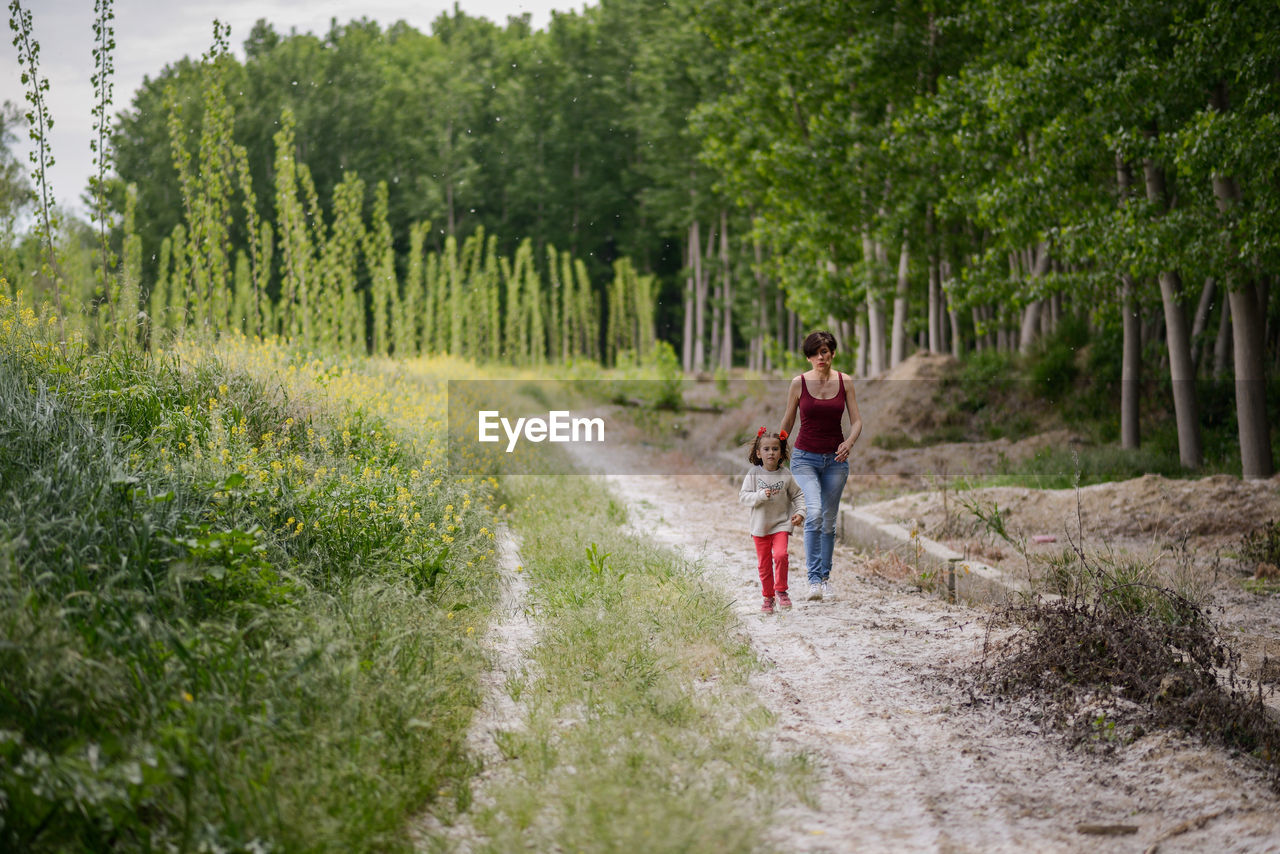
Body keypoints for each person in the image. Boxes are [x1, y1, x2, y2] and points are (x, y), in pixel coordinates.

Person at [779, 331, 862, 601]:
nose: (820, 357)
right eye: (814, 353)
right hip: (804, 458)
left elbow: (857, 421)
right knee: (813, 512)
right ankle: (813, 580)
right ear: (808, 357)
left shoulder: (845, 381)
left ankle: (825, 579)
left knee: (828, 521)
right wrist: (777, 450)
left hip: (836, 462)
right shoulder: (798, 383)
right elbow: (788, 423)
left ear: (833, 353)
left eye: (824, 351)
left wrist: (849, 442)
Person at [739, 427, 805, 614]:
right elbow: (743, 497)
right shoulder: (753, 474)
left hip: (781, 523)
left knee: (781, 555)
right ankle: (768, 598)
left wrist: (800, 513)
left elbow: (798, 495)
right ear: (759, 453)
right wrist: (759, 495)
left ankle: (781, 591)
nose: (771, 453)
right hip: (760, 526)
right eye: (766, 449)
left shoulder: (785, 475)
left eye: (775, 449)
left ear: (781, 453)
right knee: (764, 564)